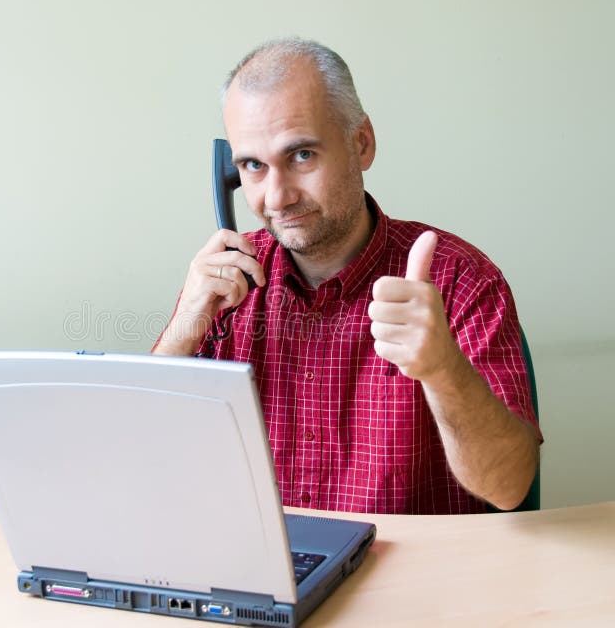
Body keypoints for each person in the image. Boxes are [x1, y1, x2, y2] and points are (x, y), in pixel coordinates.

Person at [152, 38, 542, 514]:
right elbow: (139, 459)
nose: (276, 198)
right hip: (268, 576)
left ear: (362, 143)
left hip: (419, 579)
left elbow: (509, 486)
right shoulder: (225, 286)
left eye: (301, 156)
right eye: (253, 165)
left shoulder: (461, 279)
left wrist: (443, 371)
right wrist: (184, 329)